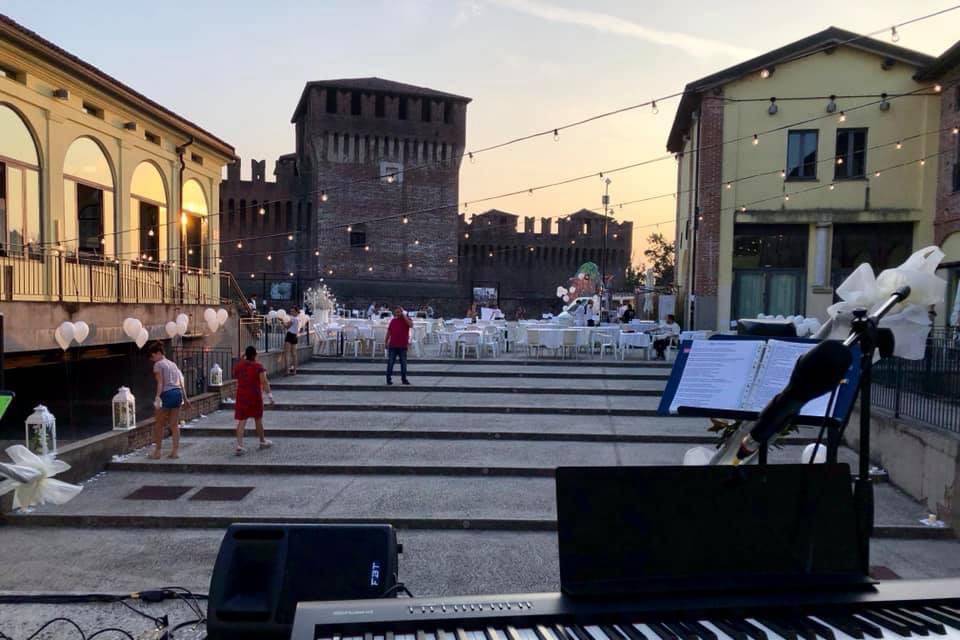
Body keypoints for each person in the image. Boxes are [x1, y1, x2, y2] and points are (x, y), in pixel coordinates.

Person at [147, 342, 190, 460]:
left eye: (153, 356)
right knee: (174, 425)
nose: (152, 359)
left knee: (159, 425)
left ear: (158, 353)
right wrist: (186, 399)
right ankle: (175, 451)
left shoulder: (158, 365)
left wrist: (157, 397)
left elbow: (160, 383)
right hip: (178, 394)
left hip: (167, 394)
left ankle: (157, 452)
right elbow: (181, 382)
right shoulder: (173, 364)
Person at [232, 345, 274, 456]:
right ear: (255, 355)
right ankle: (262, 441)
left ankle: (239, 446)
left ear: (246, 354)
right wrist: (270, 396)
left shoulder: (239, 366)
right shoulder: (258, 367)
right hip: (255, 396)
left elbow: (236, 374)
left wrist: (242, 359)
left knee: (242, 421)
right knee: (258, 419)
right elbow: (264, 381)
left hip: (242, 396)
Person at [386, 306, 413, 386]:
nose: (397, 314)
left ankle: (404, 379)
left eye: (399, 312)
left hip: (402, 345)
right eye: (396, 312)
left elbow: (411, 325)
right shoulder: (393, 321)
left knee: (403, 363)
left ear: (402, 312)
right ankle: (388, 379)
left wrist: (404, 316)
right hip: (393, 345)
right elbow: (389, 332)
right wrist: (386, 341)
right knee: (390, 362)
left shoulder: (407, 320)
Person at [283, 306, 300, 375]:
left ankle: (287, 371)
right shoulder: (298, 319)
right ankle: (295, 371)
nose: (291, 312)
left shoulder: (293, 319)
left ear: (296, 312)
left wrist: (282, 322)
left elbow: (287, 326)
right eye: (291, 311)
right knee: (294, 354)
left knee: (287, 354)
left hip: (290, 335)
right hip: (295, 336)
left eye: (292, 311)